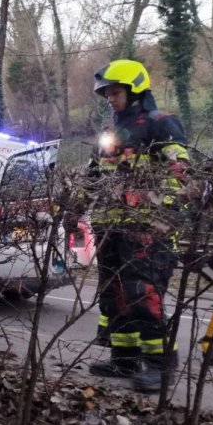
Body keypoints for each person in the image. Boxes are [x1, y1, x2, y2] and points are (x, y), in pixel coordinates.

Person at [78, 59, 193, 393]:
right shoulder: (111, 133)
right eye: (107, 95)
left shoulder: (161, 124)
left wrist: (165, 215)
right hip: (110, 228)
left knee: (142, 294)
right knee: (114, 294)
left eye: (115, 93)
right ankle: (124, 358)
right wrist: (74, 209)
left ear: (135, 90)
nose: (110, 100)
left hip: (147, 229)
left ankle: (159, 365)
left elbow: (181, 173)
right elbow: (92, 177)